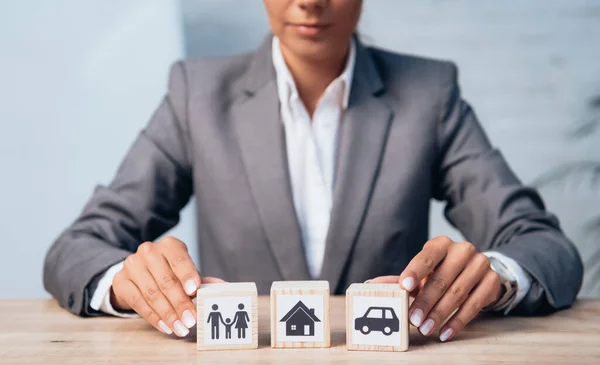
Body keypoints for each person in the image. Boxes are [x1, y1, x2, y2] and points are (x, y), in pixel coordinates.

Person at [44, 0, 583, 343]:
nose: (308, 1)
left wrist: (495, 275)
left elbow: (544, 247)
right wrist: (126, 281)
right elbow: (78, 247)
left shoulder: (429, 94)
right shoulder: (197, 95)